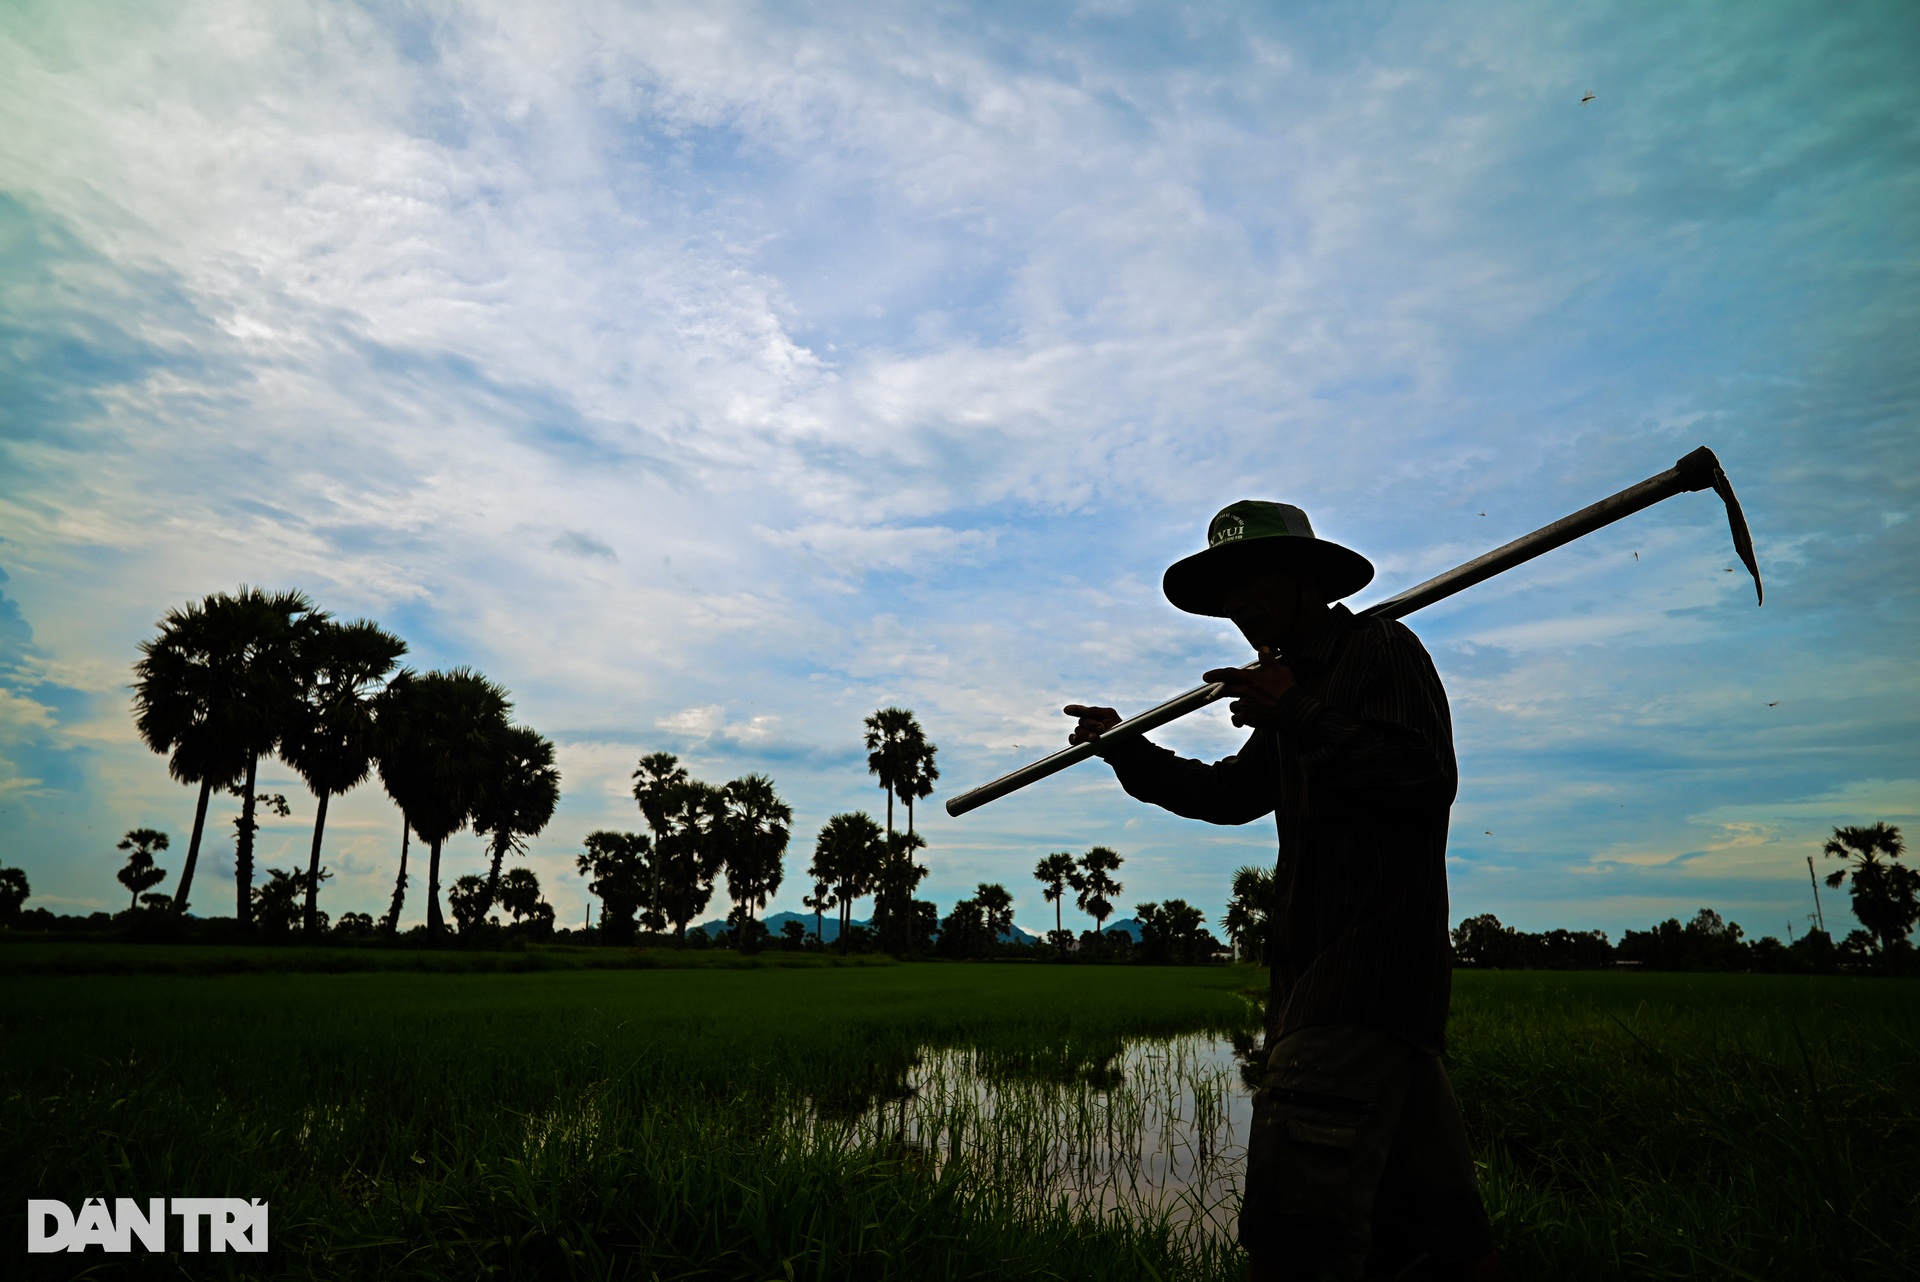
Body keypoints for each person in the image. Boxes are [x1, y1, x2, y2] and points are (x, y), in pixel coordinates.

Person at [1064, 500, 1499, 1282]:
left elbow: (1425, 778)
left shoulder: (1379, 650)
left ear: (1306, 580)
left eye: (1252, 581)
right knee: (1438, 1245)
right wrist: (1127, 747)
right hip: (1340, 994)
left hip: (1359, 983)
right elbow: (1230, 796)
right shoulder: (1292, 686)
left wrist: (1294, 712)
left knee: (1294, 1239)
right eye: (1223, 590)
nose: (1237, 605)